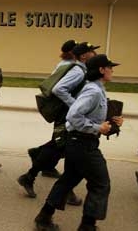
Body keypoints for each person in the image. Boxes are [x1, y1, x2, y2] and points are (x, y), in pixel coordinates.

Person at [34, 54, 123, 231]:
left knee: (67, 180)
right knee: (100, 183)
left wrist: (112, 123)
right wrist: (97, 128)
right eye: (110, 67)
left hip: (78, 143)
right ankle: (87, 226)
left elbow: (89, 115)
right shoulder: (93, 91)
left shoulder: (96, 89)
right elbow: (73, 116)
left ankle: (43, 218)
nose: (112, 70)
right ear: (101, 70)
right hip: (83, 145)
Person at [18, 41, 98, 204]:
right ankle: (31, 176)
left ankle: (35, 173)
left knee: (62, 147)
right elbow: (59, 89)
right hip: (66, 115)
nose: (94, 54)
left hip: (69, 114)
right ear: (83, 56)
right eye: (91, 51)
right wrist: (75, 105)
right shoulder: (77, 71)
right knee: (60, 146)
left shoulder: (82, 69)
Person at [27, 39, 78, 177]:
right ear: (72, 52)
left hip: (63, 107)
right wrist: (75, 104)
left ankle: (45, 164)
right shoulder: (70, 66)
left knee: (60, 139)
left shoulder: (69, 65)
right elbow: (59, 89)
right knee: (61, 140)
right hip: (63, 108)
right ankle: (38, 158)